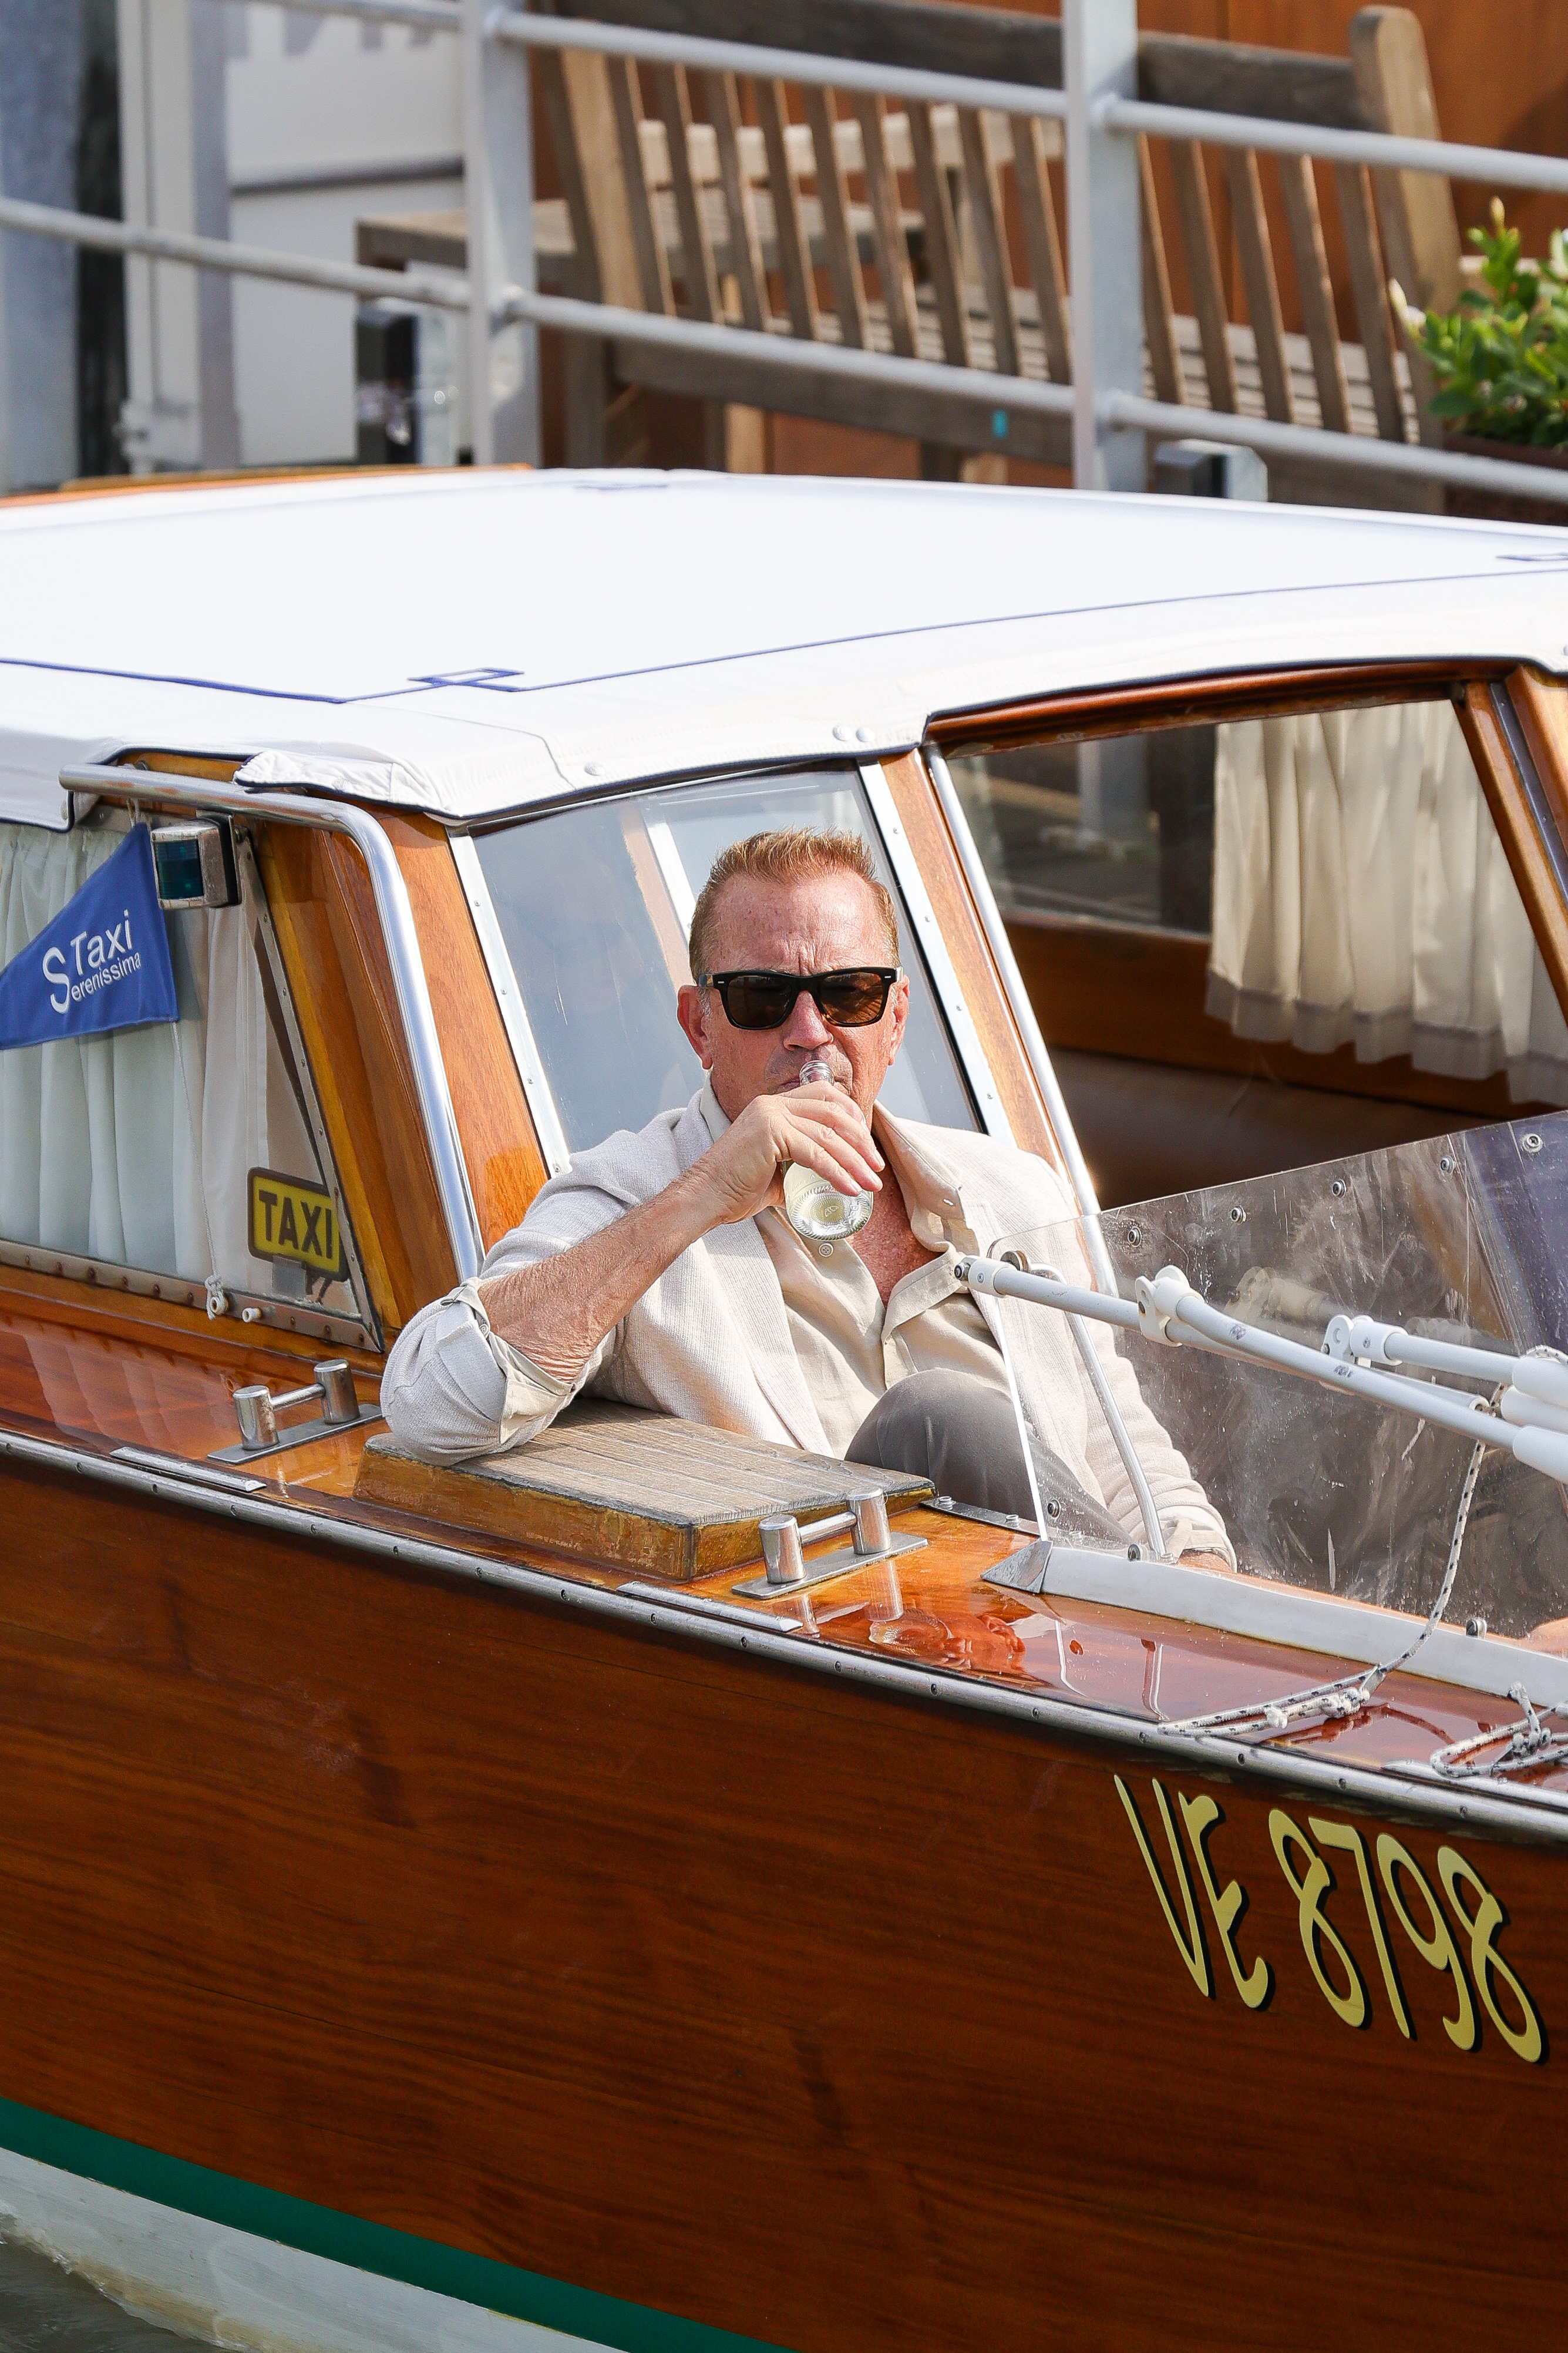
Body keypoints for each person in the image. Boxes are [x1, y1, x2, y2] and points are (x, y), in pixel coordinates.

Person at [382, 828, 1232, 1569]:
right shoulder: (636, 1196)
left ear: (895, 1020)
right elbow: (432, 1403)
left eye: (848, 993)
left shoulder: (1014, 1190)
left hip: (1062, 1655)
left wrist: (1197, 1572)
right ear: (698, 1028)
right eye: (761, 998)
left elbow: (1117, 1446)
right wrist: (706, 1194)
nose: (809, 1031)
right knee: (938, 1417)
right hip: (837, 1663)